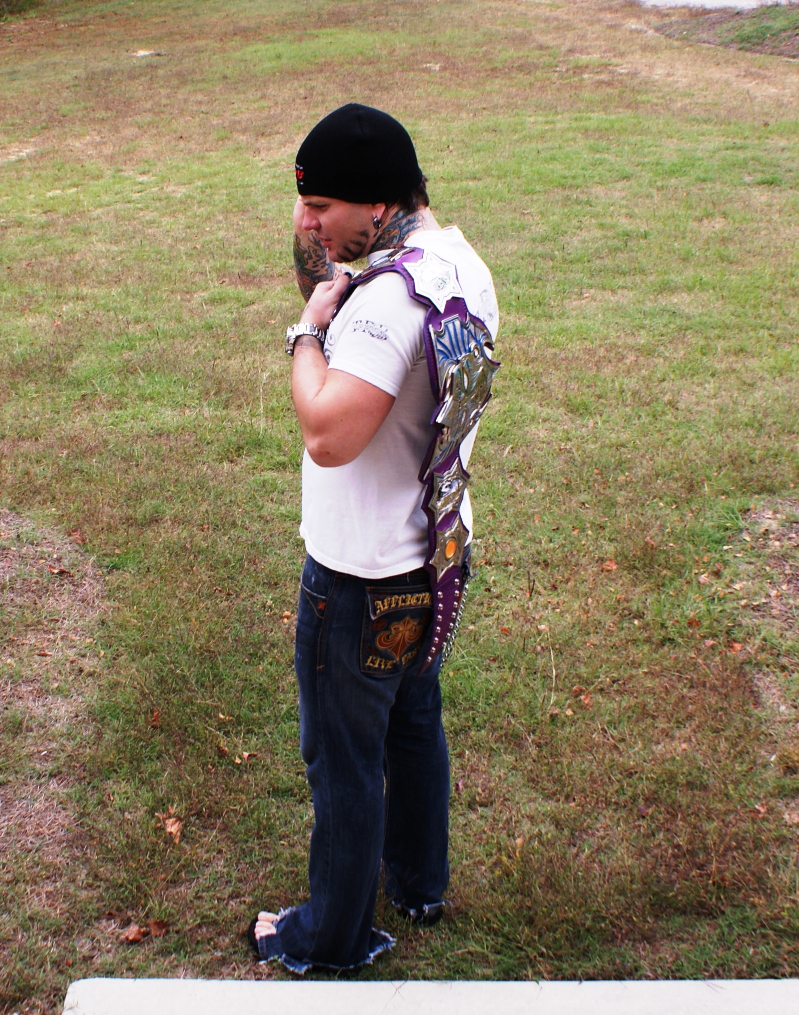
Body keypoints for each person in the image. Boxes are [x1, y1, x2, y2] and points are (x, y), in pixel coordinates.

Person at [248, 103, 499, 974]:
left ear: (378, 203)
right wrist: (315, 237)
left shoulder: (381, 305)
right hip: (433, 556)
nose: (305, 221)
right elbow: (334, 286)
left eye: (320, 206)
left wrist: (305, 335)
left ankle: (331, 937)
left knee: (344, 760)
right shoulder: (454, 263)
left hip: (357, 580)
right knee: (413, 722)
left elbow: (328, 432)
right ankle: (419, 882)